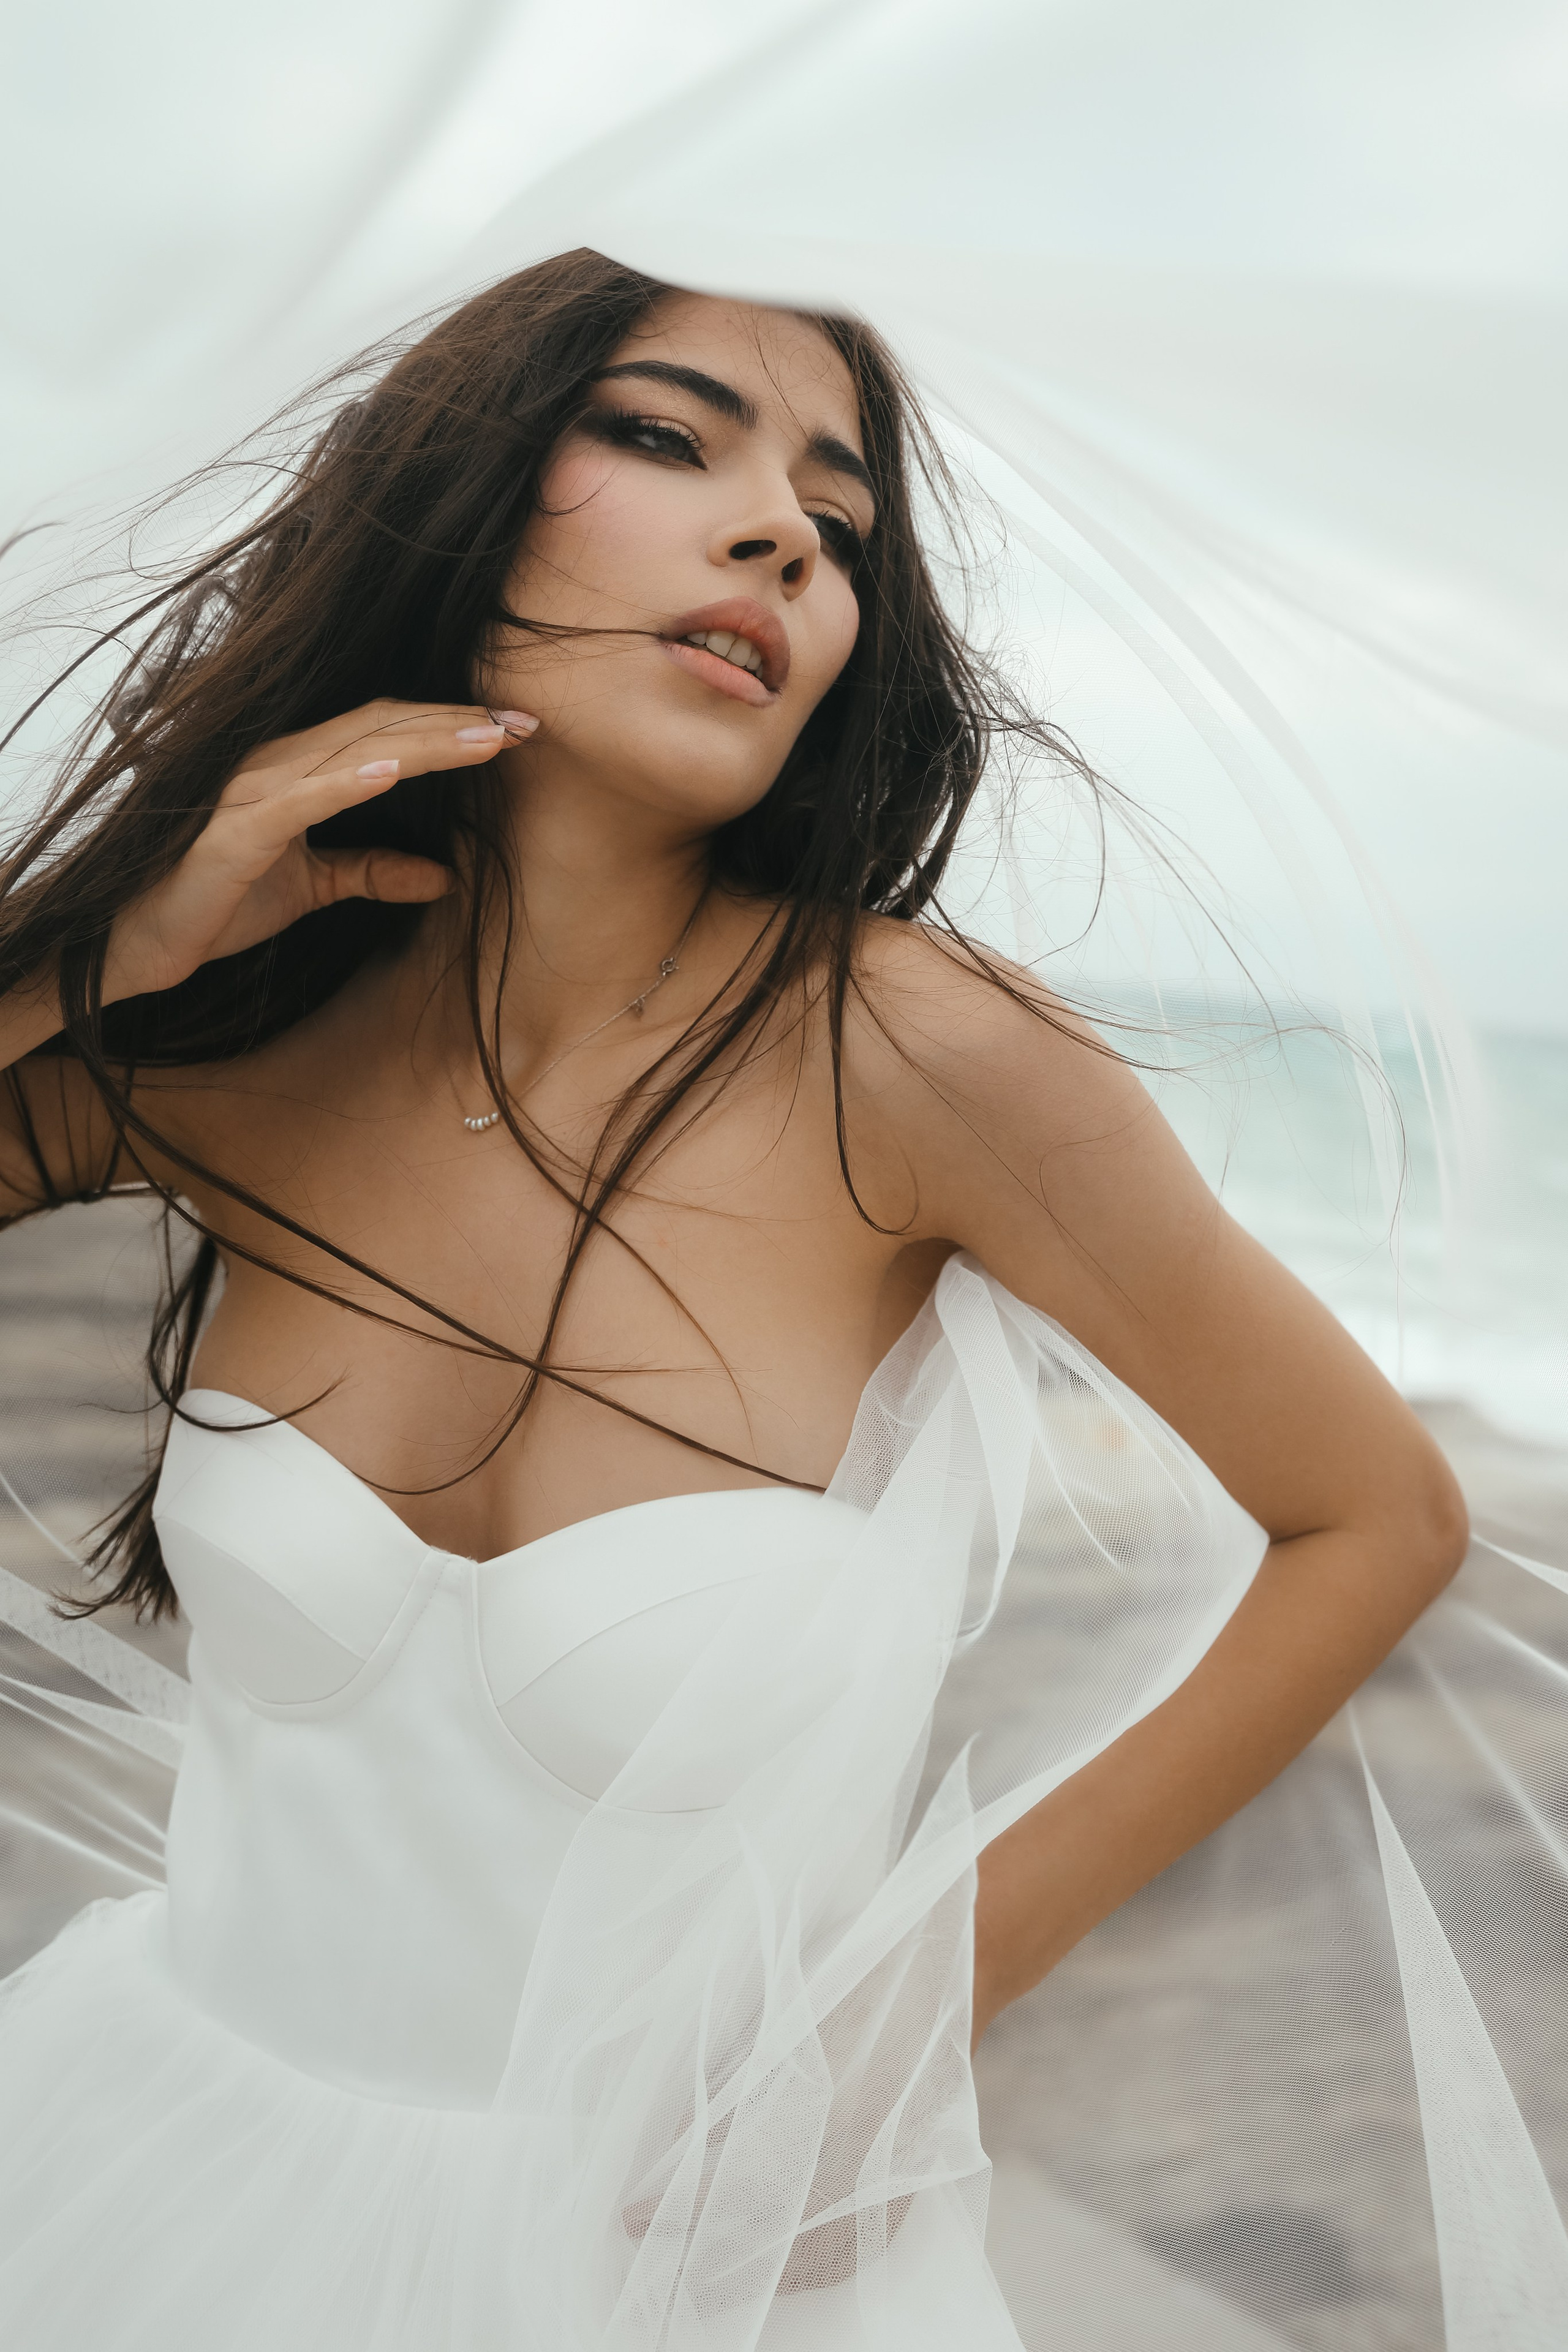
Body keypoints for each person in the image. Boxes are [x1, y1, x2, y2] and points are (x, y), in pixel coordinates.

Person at [0, 249, 1465, 2346]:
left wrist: (913, 2006)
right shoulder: (229, 1055)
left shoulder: (927, 1061)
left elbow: (1377, 1516)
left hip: (682, 2269)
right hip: (163, 2181)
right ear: (466, 492)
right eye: (670, 437)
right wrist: (97, 963)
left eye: (840, 523)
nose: (785, 528)